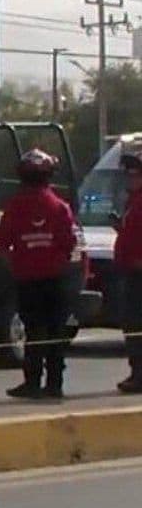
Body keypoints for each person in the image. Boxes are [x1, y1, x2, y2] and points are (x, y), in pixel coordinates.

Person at [0, 148, 77, 400]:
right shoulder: (60, 207)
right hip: (55, 280)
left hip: (28, 280)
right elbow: (69, 243)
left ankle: (32, 383)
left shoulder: (15, 207)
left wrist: (16, 265)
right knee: (55, 332)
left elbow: (0, 244)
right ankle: (55, 384)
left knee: (34, 332)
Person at [114, 151, 142, 394]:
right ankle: (137, 371)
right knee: (132, 325)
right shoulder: (132, 200)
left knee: (137, 324)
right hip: (131, 271)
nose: (130, 179)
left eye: (134, 174)